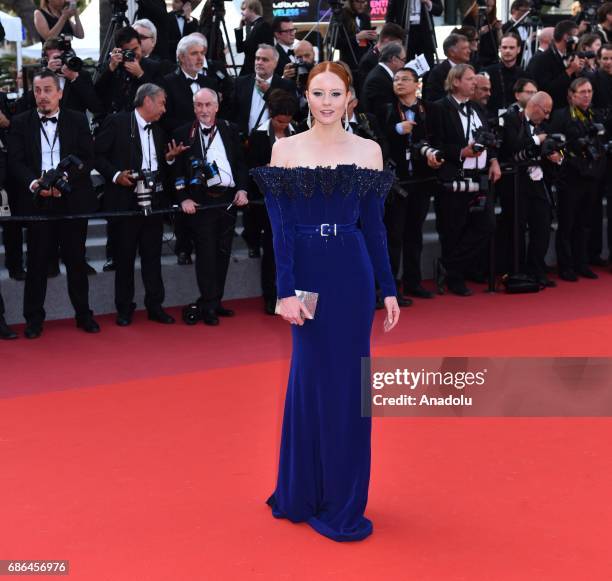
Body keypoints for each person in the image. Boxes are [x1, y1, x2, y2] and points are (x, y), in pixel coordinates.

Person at [250, 61, 400, 542]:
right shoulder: (285, 149)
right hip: (307, 274)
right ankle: (303, 490)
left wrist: (389, 286)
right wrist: (285, 290)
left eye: (336, 93)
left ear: (350, 97)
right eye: (319, 93)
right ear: (306, 97)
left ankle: (344, 497)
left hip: (351, 275)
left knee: (349, 388)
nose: (328, 102)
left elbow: (374, 228)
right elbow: (280, 230)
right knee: (310, 378)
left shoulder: (370, 151)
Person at [8, 70, 100, 339]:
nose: (43, 96)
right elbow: (16, 161)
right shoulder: (20, 122)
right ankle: (33, 319)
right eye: (38, 90)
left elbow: (88, 157)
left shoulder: (77, 119)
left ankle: (84, 315)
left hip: (71, 199)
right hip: (37, 203)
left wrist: (64, 179)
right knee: (36, 263)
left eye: (48, 90)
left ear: (59, 92)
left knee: (76, 261)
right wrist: (36, 185)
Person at [94, 83, 179, 326]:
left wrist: (169, 161)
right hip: (123, 202)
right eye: (161, 102)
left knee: (153, 258)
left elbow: (159, 163)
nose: (164, 108)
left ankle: (155, 306)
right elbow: (96, 154)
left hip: (153, 202)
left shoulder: (159, 129)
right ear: (148, 101)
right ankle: (124, 308)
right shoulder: (117, 122)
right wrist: (116, 175)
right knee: (124, 259)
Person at [171, 88, 249, 326]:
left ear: (217, 106)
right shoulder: (183, 133)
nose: (203, 110)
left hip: (228, 200)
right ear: (193, 107)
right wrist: (183, 197)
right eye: (198, 105)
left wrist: (242, 189)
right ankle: (208, 302)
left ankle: (215, 301)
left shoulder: (230, 129)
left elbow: (240, 163)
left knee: (223, 252)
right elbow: (175, 170)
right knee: (206, 254)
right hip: (200, 203)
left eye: (208, 105)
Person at [235, 0, 274, 76]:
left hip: (256, 71)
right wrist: (240, 29)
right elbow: (240, 49)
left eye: (244, 9)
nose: (241, 12)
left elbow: (267, 50)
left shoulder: (263, 26)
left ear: (252, 9)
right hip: (247, 71)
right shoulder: (250, 27)